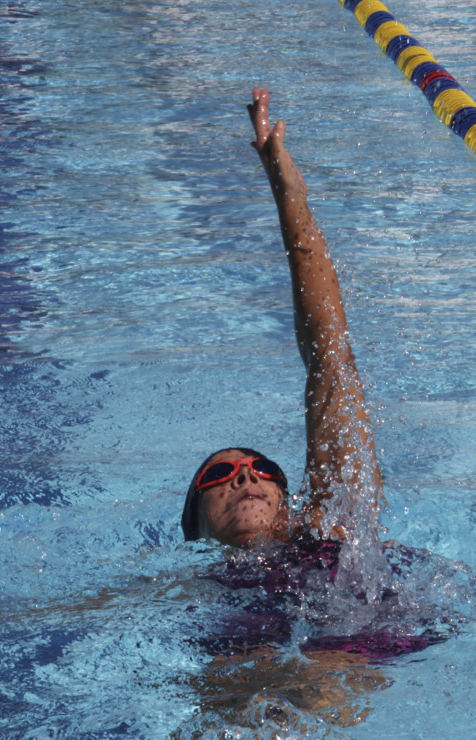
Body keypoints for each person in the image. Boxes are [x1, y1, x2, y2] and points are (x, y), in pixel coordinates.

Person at [181, 87, 382, 549]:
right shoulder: (183, 593)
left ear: (289, 501)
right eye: (219, 472)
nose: (247, 474)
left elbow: (330, 357)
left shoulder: (330, 530)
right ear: (195, 524)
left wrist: (289, 198)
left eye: (265, 470)